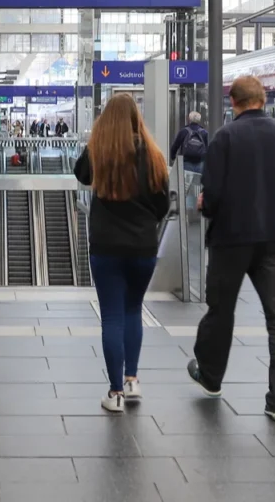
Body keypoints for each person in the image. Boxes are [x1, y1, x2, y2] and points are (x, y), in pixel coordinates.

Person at [188, 76, 275, 421]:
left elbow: (212, 194)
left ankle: (211, 378)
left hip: (230, 239)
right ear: (263, 100)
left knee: (221, 311)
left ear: (234, 102)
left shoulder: (225, 138)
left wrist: (208, 204)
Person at [73, 94, 170, 413]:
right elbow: (162, 206)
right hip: (143, 246)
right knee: (133, 310)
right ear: (136, 118)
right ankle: (132, 381)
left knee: (111, 316)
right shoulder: (153, 154)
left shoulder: (99, 151)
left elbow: (81, 174)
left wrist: (93, 141)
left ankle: (114, 393)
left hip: (106, 246)